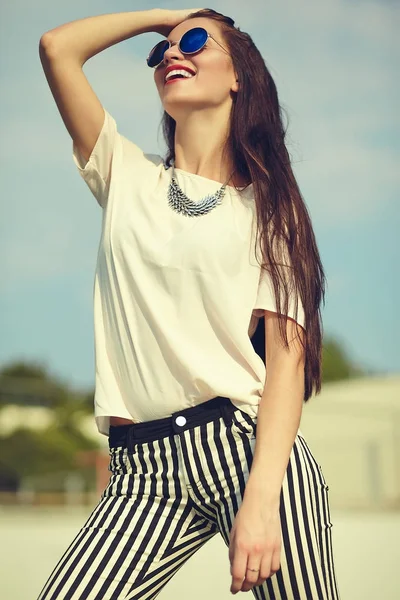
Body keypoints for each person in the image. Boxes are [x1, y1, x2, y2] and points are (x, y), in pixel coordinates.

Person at [37, 7, 341, 599]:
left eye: (196, 43)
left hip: (245, 451)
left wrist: (261, 499)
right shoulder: (125, 174)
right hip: (139, 472)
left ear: (238, 76)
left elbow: (285, 367)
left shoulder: (271, 210)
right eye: (161, 54)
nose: (172, 54)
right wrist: (169, 19)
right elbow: (57, 48)